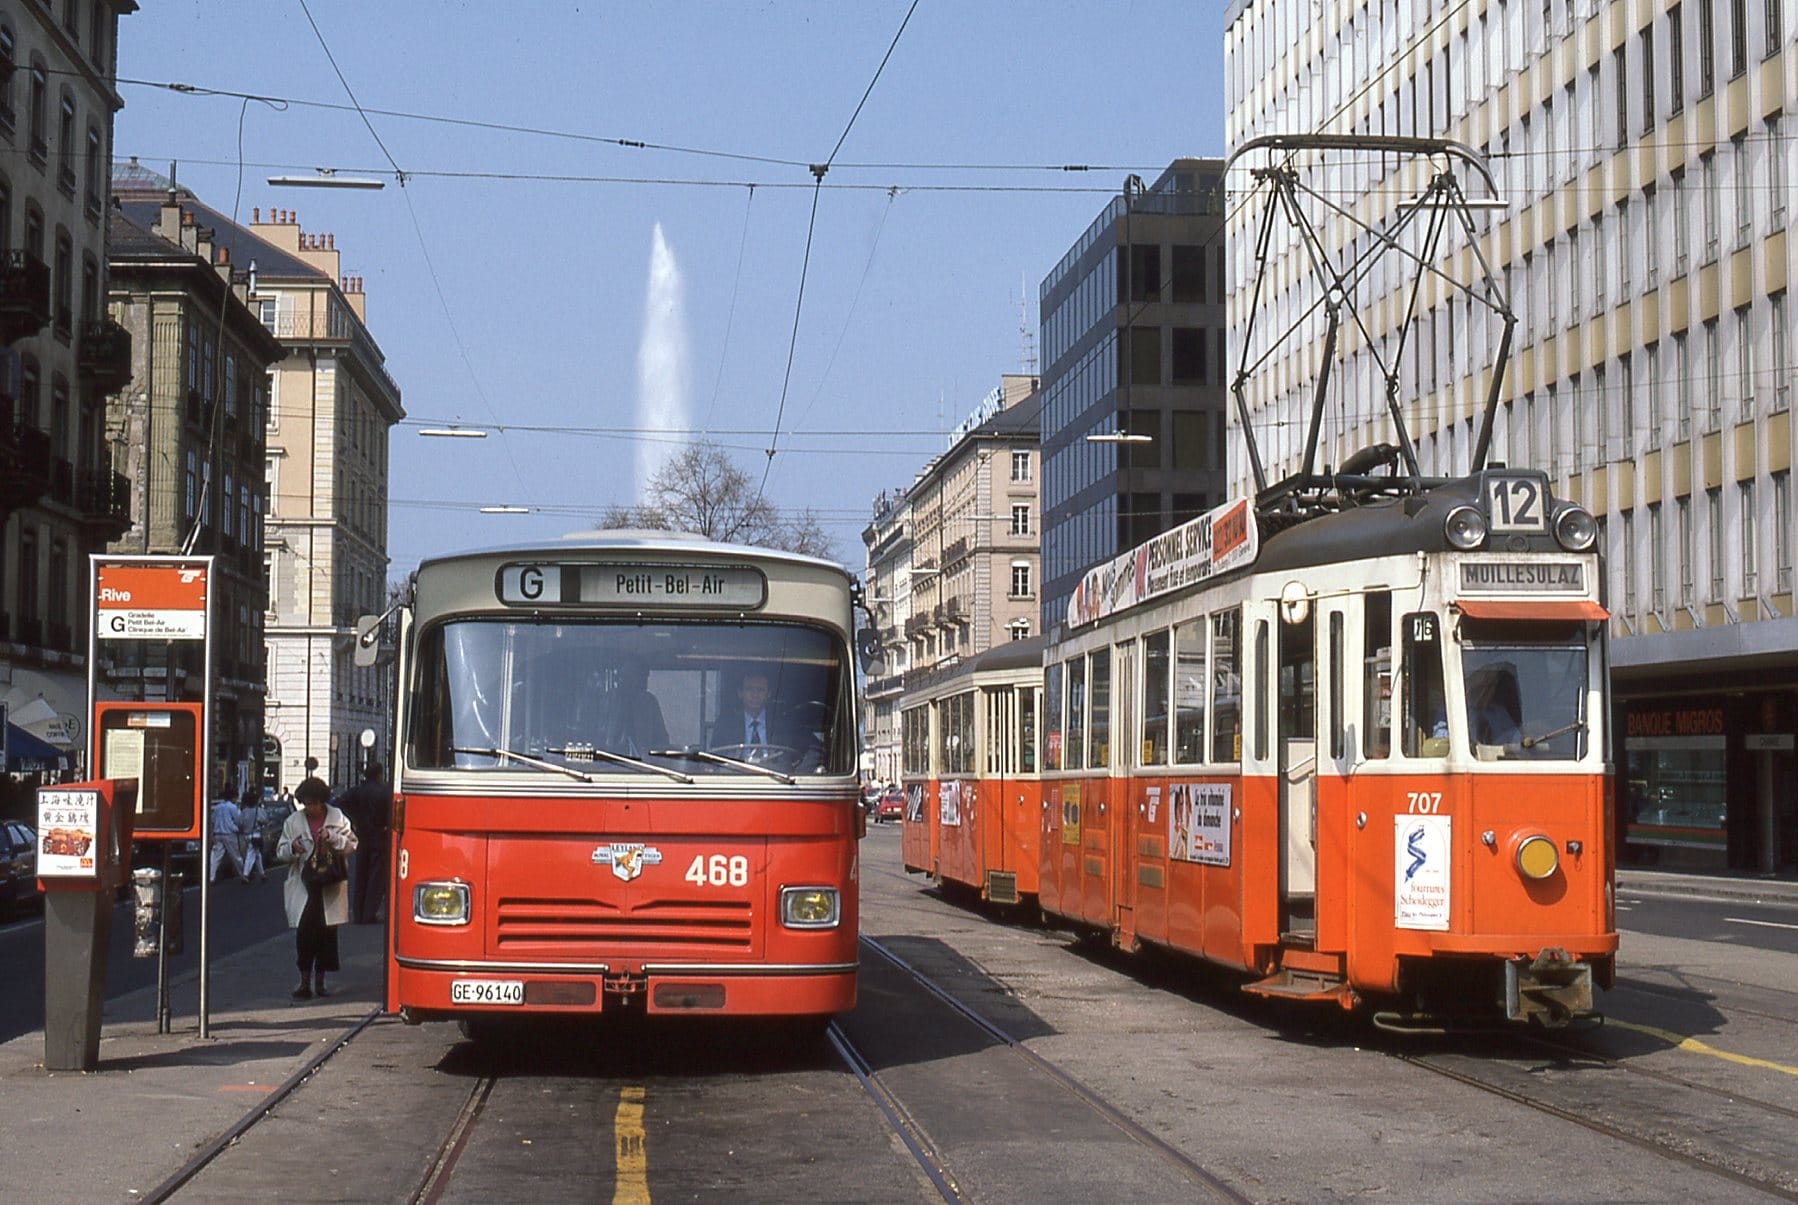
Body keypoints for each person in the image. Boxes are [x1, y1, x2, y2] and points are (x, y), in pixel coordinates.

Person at [277, 776, 358, 1000]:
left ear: (323, 801)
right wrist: (292, 847)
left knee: (326, 936)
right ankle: (304, 982)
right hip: (305, 886)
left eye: (315, 803)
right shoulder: (293, 821)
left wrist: (332, 837)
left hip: (329, 885)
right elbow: (280, 851)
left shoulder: (337, 818)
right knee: (304, 936)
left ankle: (320, 982)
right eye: (307, 803)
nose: (311, 808)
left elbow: (352, 844)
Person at [339, 761, 393, 925]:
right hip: (379, 835)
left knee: (360, 875)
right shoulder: (383, 792)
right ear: (379, 775)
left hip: (362, 835)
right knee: (376, 877)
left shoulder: (356, 791)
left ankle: (358, 912)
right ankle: (369, 913)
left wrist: (354, 819)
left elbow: (340, 802)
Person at [594, 657, 669, 757]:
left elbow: (662, 740)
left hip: (644, 763)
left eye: (637, 675)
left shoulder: (649, 702)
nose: (631, 680)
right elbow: (595, 733)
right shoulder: (608, 699)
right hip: (607, 760)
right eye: (627, 674)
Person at [1467, 666, 1523, 746]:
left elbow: (1516, 741)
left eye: (1490, 686)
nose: (1485, 690)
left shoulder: (1500, 713)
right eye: (1482, 686)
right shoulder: (1457, 712)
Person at [208, 785, 245, 883]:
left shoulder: (217, 807)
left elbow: (212, 820)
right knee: (236, 856)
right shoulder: (232, 807)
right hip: (229, 833)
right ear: (233, 797)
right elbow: (238, 820)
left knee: (216, 856)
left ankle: (211, 877)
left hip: (217, 833)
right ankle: (244, 874)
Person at [237, 784, 266, 883]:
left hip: (246, 834)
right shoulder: (258, 811)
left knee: (257, 854)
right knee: (252, 854)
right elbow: (264, 820)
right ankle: (245, 874)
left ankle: (262, 873)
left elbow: (239, 822)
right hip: (256, 834)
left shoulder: (244, 811)